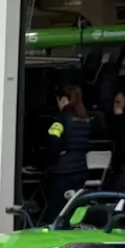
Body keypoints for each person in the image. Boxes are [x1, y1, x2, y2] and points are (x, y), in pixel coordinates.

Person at [44, 85, 95, 223]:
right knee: (74, 207)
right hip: (80, 170)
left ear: (64, 100)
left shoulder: (61, 118)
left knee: (57, 210)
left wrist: (50, 160)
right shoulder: (86, 119)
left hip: (62, 171)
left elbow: (53, 141)